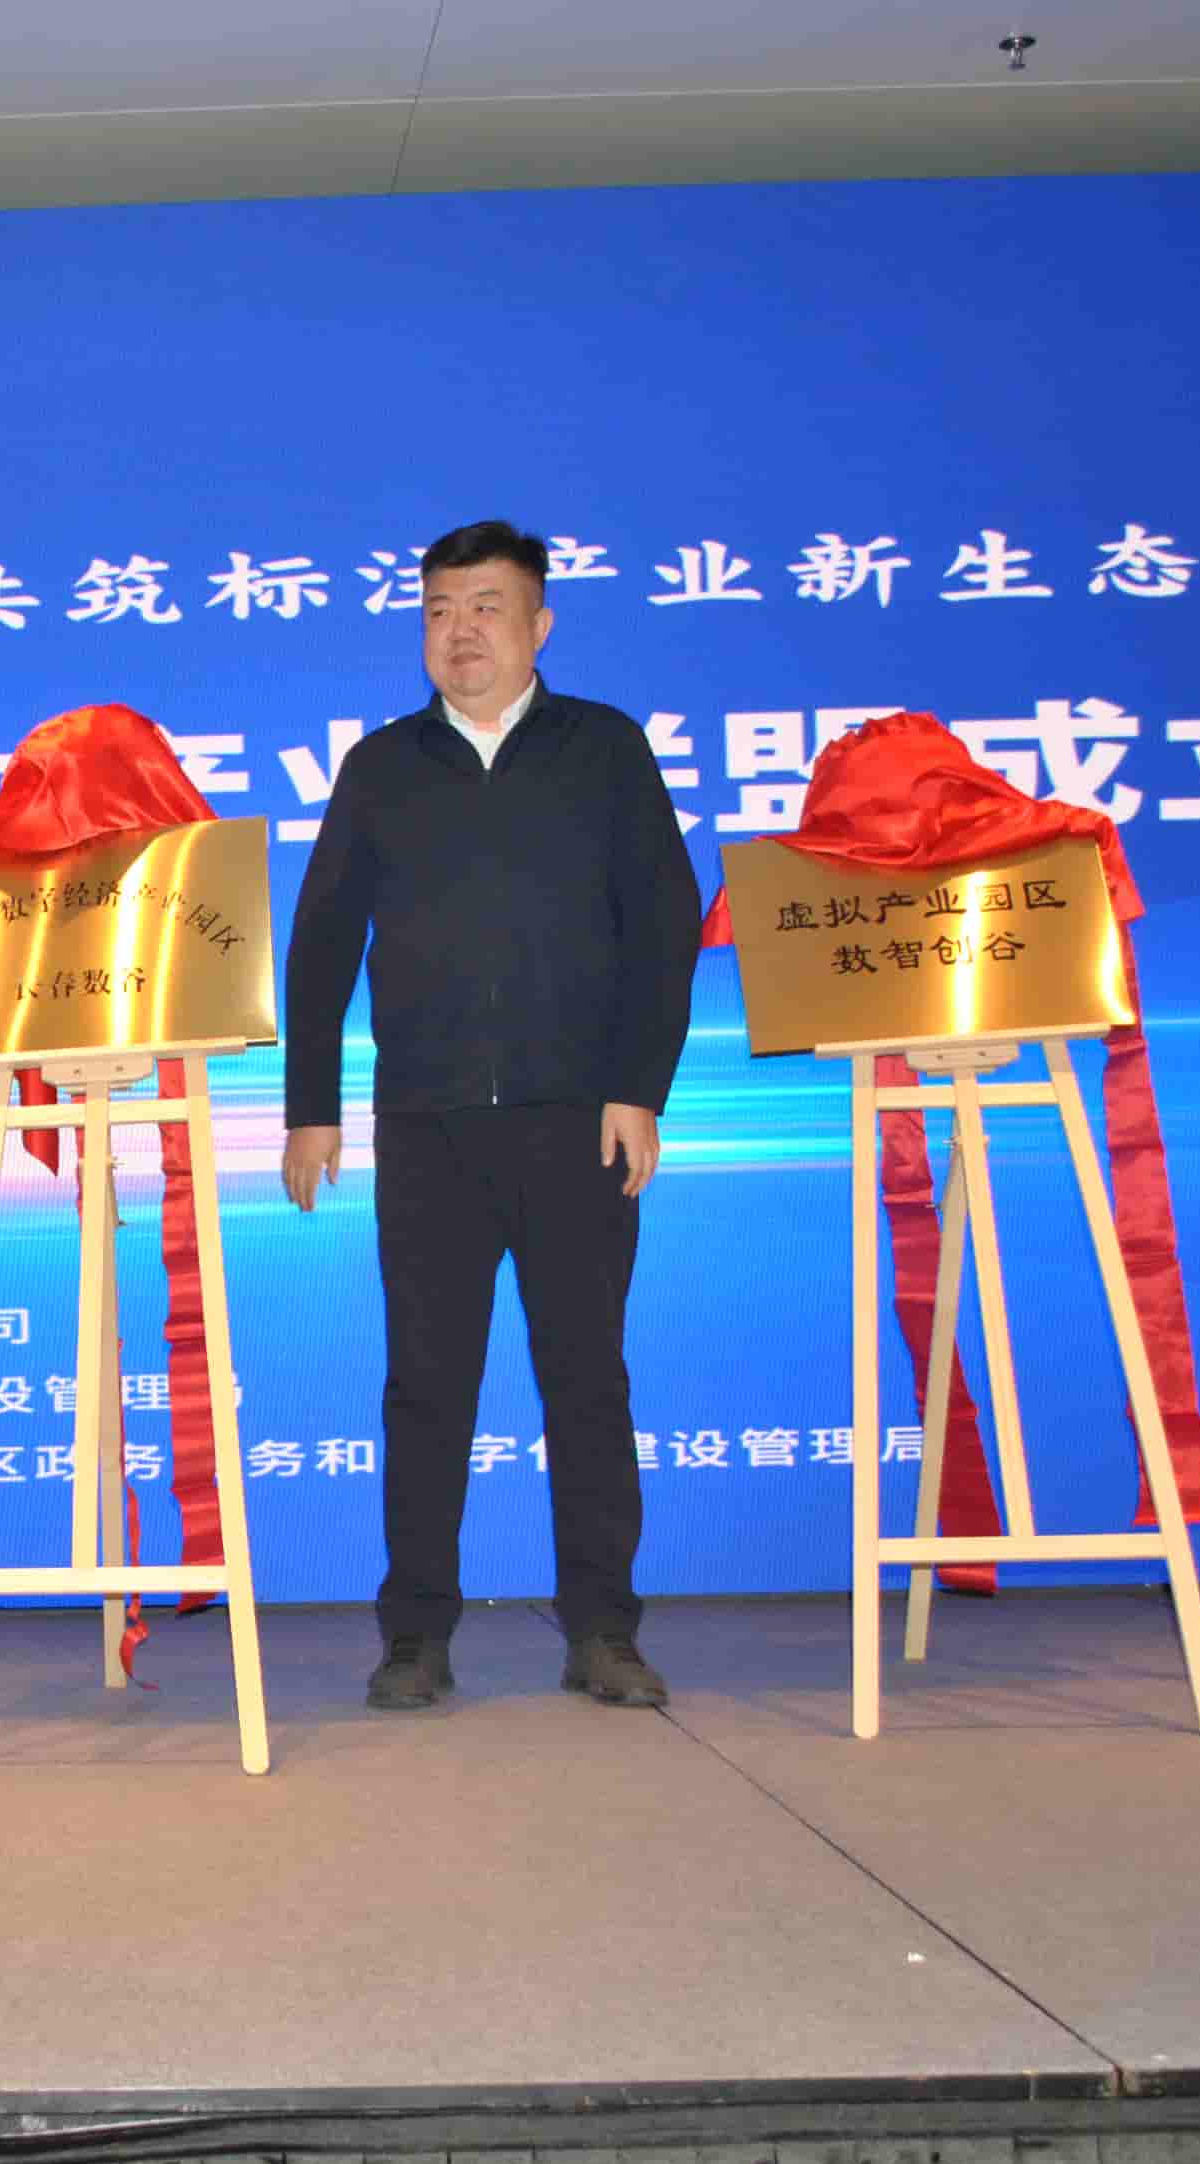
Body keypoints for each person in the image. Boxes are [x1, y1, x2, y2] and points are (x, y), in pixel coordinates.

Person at [278, 521, 701, 1712]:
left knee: (585, 1382)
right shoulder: (382, 765)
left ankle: (602, 1631)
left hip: (578, 1122)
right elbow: (321, 942)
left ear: (537, 624)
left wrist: (638, 1088)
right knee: (425, 1387)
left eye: (484, 607)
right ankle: (414, 1637)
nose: (457, 632)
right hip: (427, 1126)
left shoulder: (602, 749)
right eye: (437, 610)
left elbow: (661, 926)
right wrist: (311, 1108)